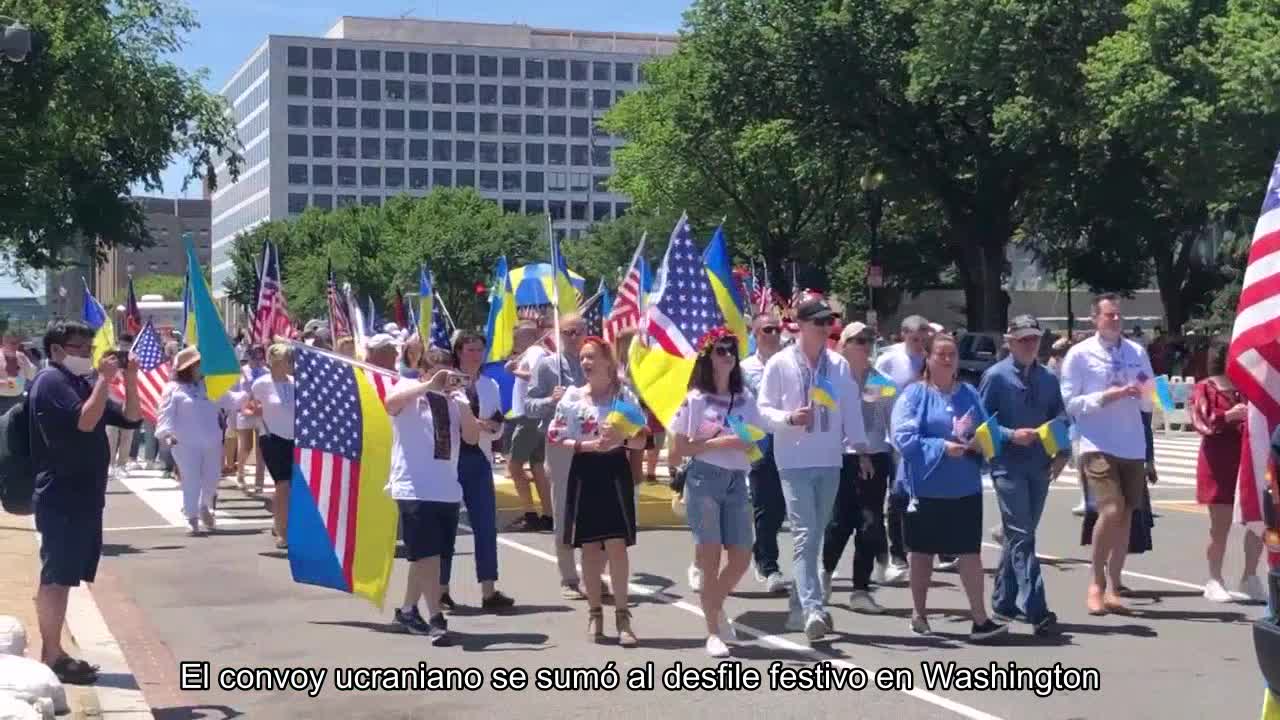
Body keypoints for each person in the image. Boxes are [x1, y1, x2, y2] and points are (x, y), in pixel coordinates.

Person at [30, 321, 141, 684]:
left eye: (88, 346)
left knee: (67, 576)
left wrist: (132, 377)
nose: (86, 353)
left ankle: (55, 653)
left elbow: (130, 418)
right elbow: (84, 420)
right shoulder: (52, 382)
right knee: (56, 575)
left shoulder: (80, 383)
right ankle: (51, 654)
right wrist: (105, 380)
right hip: (61, 493)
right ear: (57, 350)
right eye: (79, 347)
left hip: (85, 494)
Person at [758, 297, 867, 641]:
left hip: (830, 458)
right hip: (793, 460)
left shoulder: (837, 365)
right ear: (801, 325)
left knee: (815, 536)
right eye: (818, 323)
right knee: (805, 536)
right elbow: (762, 411)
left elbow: (850, 406)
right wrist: (789, 418)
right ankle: (813, 609)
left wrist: (861, 446)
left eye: (828, 323)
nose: (824, 328)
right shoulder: (779, 364)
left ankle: (797, 608)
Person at [891, 333, 1008, 641]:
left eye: (952, 354)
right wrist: (942, 446)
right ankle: (919, 614)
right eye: (940, 354)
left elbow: (987, 431)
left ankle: (980, 619)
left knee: (970, 552)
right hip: (926, 488)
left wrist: (983, 444)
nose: (947, 359)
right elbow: (904, 439)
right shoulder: (914, 395)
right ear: (927, 359)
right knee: (922, 552)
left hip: (965, 486)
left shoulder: (969, 393)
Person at [1060, 293, 1157, 615]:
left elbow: (1147, 396)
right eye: (1109, 315)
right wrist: (1106, 396)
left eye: (1118, 315)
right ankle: (1096, 582)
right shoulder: (1079, 355)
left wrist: (1144, 392)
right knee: (1111, 510)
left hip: (1131, 443)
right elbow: (1071, 403)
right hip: (1096, 443)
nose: (1115, 320)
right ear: (1095, 319)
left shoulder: (1136, 352)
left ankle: (1115, 586)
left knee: (1128, 514)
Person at [547, 336, 646, 646]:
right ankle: (594, 613)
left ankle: (622, 615)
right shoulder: (573, 398)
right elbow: (555, 435)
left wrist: (622, 439)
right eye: (583, 358)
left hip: (615, 471)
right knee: (589, 548)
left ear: (607, 361)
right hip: (585, 471)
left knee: (616, 546)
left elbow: (642, 438)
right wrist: (585, 444)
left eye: (592, 357)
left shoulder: (624, 396)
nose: (586, 363)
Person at [671, 327, 761, 657]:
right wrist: (721, 442)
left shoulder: (745, 397)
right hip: (704, 479)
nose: (727, 356)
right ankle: (713, 630)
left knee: (741, 556)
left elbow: (753, 441)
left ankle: (714, 604)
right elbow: (680, 449)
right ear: (708, 356)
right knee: (710, 558)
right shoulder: (696, 398)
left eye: (731, 350)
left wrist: (746, 445)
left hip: (738, 479)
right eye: (720, 350)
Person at [979, 315, 1066, 635]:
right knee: (1023, 535)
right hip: (1008, 466)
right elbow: (982, 424)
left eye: (1034, 338)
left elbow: (1060, 417)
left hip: (1039, 466)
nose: (1030, 345)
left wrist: (1062, 453)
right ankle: (1036, 608)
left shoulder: (1047, 378)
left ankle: (1003, 601)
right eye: (1023, 339)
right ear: (1010, 342)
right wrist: (1010, 435)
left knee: (1019, 535)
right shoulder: (995, 377)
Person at [385, 363, 482, 645]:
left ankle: (406, 611)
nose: (446, 379)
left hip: (446, 488)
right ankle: (436, 616)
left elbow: (472, 438)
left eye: (449, 373)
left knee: (429, 556)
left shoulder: (456, 401)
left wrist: (463, 404)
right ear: (424, 370)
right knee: (426, 555)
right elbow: (390, 405)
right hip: (414, 486)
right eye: (438, 372)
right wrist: (429, 386)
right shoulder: (408, 388)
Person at [438, 331, 515, 611]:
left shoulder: (490, 384)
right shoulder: (446, 380)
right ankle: (441, 590)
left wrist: (484, 426)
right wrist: (479, 424)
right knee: (446, 527)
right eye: (469, 349)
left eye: (479, 350)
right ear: (458, 352)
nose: (475, 355)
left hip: (479, 458)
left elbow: (497, 425)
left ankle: (488, 590)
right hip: (450, 460)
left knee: (485, 526)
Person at [820, 321, 892, 614]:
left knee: (871, 523)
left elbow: (887, 423)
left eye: (868, 340)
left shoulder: (880, 381)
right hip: (841, 456)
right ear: (843, 345)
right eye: (858, 340)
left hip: (874, 457)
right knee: (840, 522)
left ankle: (860, 590)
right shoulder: (831, 379)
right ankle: (825, 571)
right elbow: (826, 422)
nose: (865, 345)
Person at [1192, 337, 1264, 602]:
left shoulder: (1247, 388)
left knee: (1257, 522)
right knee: (1219, 527)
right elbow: (1201, 422)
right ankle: (1214, 578)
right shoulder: (1206, 388)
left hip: (1248, 461)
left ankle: (1250, 575)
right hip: (1217, 465)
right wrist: (1228, 416)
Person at [523, 314, 589, 599]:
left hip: (594, 443)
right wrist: (551, 399)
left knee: (592, 511)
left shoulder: (596, 362)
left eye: (578, 331)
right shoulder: (548, 365)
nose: (573, 337)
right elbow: (528, 405)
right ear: (558, 334)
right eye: (567, 332)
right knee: (563, 508)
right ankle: (568, 577)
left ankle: (593, 575)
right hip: (561, 444)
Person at [156, 347, 249, 536]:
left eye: (201, 364)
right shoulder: (173, 389)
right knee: (191, 480)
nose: (201, 368)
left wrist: (244, 382)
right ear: (186, 367)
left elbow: (232, 400)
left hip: (212, 441)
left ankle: (205, 505)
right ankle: (192, 517)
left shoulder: (210, 386)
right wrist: (167, 434)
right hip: (184, 442)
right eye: (197, 365)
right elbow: (165, 415)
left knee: (212, 478)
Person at [875, 314, 932, 581]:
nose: (920, 344)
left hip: (927, 437)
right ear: (903, 335)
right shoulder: (889, 360)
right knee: (898, 496)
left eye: (923, 338)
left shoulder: (931, 358)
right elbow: (872, 396)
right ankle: (897, 554)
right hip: (895, 436)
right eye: (914, 339)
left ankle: (929, 549)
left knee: (926, 495)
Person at [740, 311, 789, 594]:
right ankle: (768, 565)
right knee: (765, 506)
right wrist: (749, 445)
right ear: (755, 335)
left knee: (781, 508)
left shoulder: (789, 365)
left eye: (776, 329)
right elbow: (739, 412)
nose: (773, 334)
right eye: (767, 330)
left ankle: (761, 549)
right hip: (760, 444)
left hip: (789, 441)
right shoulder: (745, 370)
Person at [246, 343, 295, 551]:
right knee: (283, 484)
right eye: (288, 360)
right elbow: (248, 408)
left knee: (289, 488)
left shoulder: (294, 383)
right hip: (271, 437)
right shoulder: (261, 384)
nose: (292, 364)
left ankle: (277, 512)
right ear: (275, 362)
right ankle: (282, 532)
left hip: (294, 439)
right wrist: (254, 414)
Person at [505, 321, 553, 532]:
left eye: (518, 337)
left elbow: (536, 378)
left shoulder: (534, 352)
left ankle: (531, 513)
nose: (515, 341)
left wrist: (514, 371)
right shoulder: (535, 353)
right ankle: (548, 513)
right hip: (531, 415)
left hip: (529, 417)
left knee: (515, 466)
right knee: (537, 466)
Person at [234, 345, 267, 493]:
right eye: (255, 355)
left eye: (260, 356)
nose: (258, 359)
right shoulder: (242, 371)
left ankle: (259, 482)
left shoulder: (267, 372)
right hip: (245, 412)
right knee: (246, 446)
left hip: (262, 413)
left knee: (262, 449)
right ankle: (240, 473)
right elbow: (234, 390)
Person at [105, 333, 137, 477]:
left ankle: (122, 465)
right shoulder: (112, 357)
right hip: (113, 401)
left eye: (128, 344)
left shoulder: (135, 358)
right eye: (123, 344)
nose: (125, 347)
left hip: (128, 401)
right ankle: (110, 464)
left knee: (127, 435)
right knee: (111, 434)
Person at [0, 332, 36, 414]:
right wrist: (12, 382)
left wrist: (29, 358)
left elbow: (32, 375)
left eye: (17, 343)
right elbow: (14, 384)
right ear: (4, 343)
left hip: (19, 401)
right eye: (12, 343)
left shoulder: (21, 356)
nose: (16, 346)